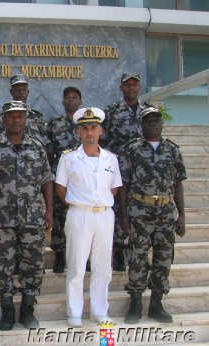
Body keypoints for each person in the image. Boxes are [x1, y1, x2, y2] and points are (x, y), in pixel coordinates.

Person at [0, 100, 54, 331]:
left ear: (26, 118)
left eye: (20, 116)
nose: (16, 120)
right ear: (3, 119)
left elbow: (46, 179)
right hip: (0, 219)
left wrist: (49, 210)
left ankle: (28, 309)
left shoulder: (37, 147)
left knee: (33, 263)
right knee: (1, 265)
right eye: (11, 116)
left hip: (32, 217)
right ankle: (7, 310)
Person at [55, 107, 122, 328]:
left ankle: (99, 310)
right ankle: (74, 312)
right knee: (76, 265)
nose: (90, 132)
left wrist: (97, 203)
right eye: (85, 128)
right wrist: (79, 203)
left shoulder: (111, 159)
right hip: (79, 214)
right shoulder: (69, 159)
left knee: (103, 266)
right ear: (78, 132)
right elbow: (61, 188)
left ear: (100, 130)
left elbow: (113, 189)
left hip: (104, 215)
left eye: (93, 128)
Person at [119, 107, 186, 324]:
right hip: (139, 209)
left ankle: (157, 304)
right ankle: (136, 304)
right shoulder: (132, 150)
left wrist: (181, 215)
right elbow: (124, 184)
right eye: (149, 121)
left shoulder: (173, 150)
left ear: (162, 123)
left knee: (164, 258)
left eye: (156, 120)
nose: (153, 124)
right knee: (137, 257)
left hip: (166, 212)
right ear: (142, 125)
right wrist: (124, 216)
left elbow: (178, 184)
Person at [101, 72, 153, 272]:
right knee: (117, 210)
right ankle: (118, 252)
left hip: (143, 171)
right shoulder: (112, 111)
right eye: (127, 85)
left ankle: (140, 253)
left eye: (134, 85)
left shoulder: (148, 111)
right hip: (119, 169)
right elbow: (103, 140)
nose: (131, 88)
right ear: (121, 88)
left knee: (142, 212)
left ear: (139, 87)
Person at [46, 87, 82, 273]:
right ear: (62, 102)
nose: (71, 101)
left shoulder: (86, 124)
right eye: (68, 98)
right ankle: (60, 256)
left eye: (75, 98)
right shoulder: (54, 123)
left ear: (80, 102)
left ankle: (83, 257)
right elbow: (49, 151)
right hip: (60, 178)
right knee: (60, 218)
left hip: (82, 179)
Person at [0, 74, 49, 148]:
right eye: (18, 89)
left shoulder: (36, 116)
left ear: (28, 92)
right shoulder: (3, 117)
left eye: (24, 89)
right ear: (11, 92)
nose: (21, 92)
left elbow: (45, 141)